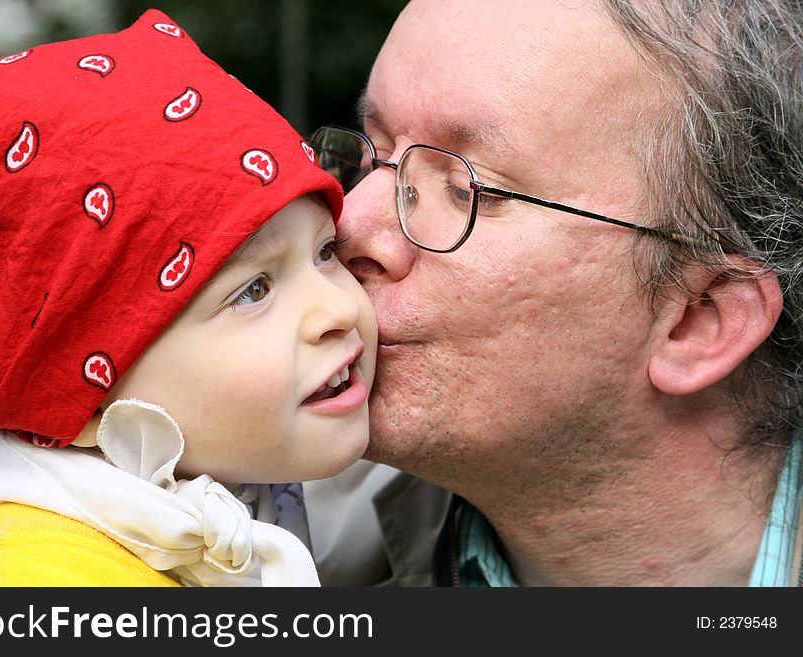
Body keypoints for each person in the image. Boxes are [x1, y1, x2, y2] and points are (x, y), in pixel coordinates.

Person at [303, 0, 803, 586]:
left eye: (470, 188)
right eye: (374, 153)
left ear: (697, 319)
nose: (346, 225)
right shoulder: (238, 554)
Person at [0, 9, 376, 587]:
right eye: (253, 290)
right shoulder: (32, 585)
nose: (339, 308)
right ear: (79, 393)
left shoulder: (249, 492)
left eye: (326, 252)